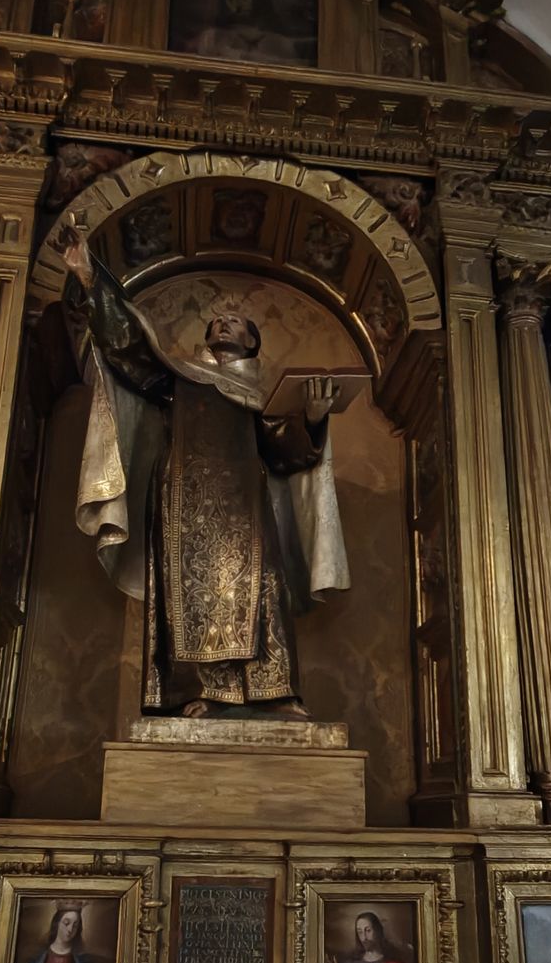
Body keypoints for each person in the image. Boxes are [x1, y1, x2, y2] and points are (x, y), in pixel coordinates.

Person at [60, 223, 349, 718]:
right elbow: (129, 347)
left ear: (253, 343)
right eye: (217, 322)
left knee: (264, 590)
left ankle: (275, 693)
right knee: (186, 592)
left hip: (246, 509)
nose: (222, 323)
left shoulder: (257, 399)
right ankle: (199, 694)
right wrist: (89, 276)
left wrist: (314, 422)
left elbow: (283, 452)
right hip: (183, 504)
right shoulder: (182, 381)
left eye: (236, 322)